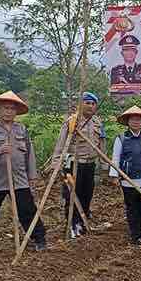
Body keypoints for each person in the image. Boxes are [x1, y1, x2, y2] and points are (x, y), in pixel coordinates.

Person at [0, 91, 46, 251]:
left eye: (12, 109)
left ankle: (39, 239)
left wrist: (32, 176)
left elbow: (30, 154)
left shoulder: (21, 130)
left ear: (16, 112)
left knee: (27, 210)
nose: (9, 111)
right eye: (5, 108)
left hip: (19, 178)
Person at [49, 92, 105, 239]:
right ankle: (72, 225)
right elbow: (60, 144)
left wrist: (105, 167)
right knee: (72, 196)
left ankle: (82, 223)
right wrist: (56, 163)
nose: (90, 106)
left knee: (87, 195)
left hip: (90, 165)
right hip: (73, 164)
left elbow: (102, 146)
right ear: (81, 104)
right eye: (87, 103)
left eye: (93, 104)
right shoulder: (71, 122)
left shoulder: (98, 123)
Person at [108, 106, 141, 245]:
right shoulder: (121, 138)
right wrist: (114, 175)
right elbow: (115, 158)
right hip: (128, 181)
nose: (136, 122)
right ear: (128, 122)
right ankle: (135, 236)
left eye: (138, 120)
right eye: (133, 119)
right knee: (132, 209)